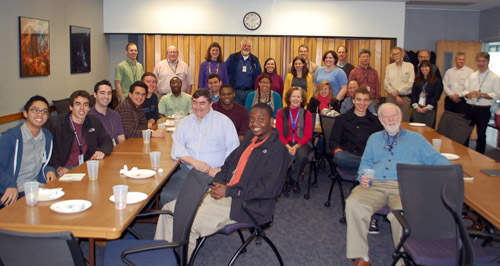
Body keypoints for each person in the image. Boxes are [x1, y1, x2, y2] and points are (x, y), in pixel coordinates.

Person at [154, 103, 290, 259]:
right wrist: (218, 182)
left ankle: (179, 261)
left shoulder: (278, 150)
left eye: (261, 119)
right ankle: (161, 260)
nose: (255, 124)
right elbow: (228, 165)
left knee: (186, 223)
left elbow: (270, 189)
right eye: (252, 120)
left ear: (271, 121)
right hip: (225, 194)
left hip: (247, 205)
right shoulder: (250, 138)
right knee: (169, 211)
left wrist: (229, 191)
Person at [346, 103, 451, 266]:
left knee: (401, 215)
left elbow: (437, 159)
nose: (390, 119)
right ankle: (361, 256)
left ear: (400, 117)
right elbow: (365, 162)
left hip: (405, 187)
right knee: (353, 203)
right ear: (380, 120)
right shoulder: (374, 138)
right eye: (385, 117)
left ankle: (401, 261)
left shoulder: (416, 139)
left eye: (393, 115)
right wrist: (363, 176)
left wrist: (456, 172)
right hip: (376, 184)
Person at [160, 89, 239, 206]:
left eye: (202, 103)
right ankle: (176, 223)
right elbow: (177, 149)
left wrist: (219, 170)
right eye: (195, 102)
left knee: (207, 202)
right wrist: (195, 163)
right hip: (189, 169)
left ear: (211, 103)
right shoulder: (185, 122)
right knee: (168, 196)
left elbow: (234, 153)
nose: (197, 107)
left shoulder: (224, 122)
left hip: (215, 173)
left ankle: (196, 223)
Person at [0, 96, 56, 208]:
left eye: (44, 111)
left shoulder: (47, 136)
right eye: (35, 110)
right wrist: (9, 185)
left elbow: (45, 162)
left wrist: (49, 170)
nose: (40, 114)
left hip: (36, 188)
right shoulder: (11, 138)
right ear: (25, 113)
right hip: (14, 191)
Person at [45, 90, 113, 177]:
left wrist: (102, 151)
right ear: (71, 107)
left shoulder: (94, 121)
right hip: (64, 169)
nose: (82, 108)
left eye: (85, 105)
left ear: (89, 108)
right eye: (78, 104)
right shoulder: (56, 123)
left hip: (85, 167)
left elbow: (107, 140)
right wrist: (57, 167)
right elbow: (45, 149)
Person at [330, 87, 383, 173]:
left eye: (365, 100)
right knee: (339, 156)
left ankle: (361, 170)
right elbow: (333, 141)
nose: (362, 103)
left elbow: (380, 143)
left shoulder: (376, 121)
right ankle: (367, 168)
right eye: (359, 99)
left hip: (367, 155)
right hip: (348, 155)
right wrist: (337, 149)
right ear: (353, 101)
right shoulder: (342, 119)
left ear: (369, 102)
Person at [276, 87, 313, 194]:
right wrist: (288, 146)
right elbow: (279, 134)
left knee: (302, 156)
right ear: (289, 98)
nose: (296, 99)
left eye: (298, 97)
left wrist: (296, 146)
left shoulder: (307, 114)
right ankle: (286, 178)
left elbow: (308, 135)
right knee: (282, 153)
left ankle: (293, 180)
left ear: (302, 99)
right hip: (285, 142)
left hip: (302, 143)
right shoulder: (281, 112)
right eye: (293, 96)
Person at [463, 52, 500, 154]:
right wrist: (468, 94)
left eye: (483, 61)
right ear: (476, 62)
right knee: (465, 133)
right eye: (479, 61)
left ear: (488, 62)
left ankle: (480, 156)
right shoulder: (472, 76)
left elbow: (497, 94)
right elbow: (464, 90)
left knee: (481, 135)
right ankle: (463, 153)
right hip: (470, 107)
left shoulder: (494, 77)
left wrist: (482, 95)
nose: (481, 63)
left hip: (483, 109)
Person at [226, 39, 262, 105]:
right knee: (236, 111)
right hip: (235, 91)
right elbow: (225, 72)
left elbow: (259, 76)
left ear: (251, 48)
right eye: (244, 45)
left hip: (250, 92)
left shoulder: (255, 60)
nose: (246, 47)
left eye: (249, 46)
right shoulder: (232, 58)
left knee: (248, 112)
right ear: (240, 46)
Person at [89, 80, 125, 146]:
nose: (106, 96)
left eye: (109, 93)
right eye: (102, 93)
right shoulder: (89, 117)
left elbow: (121, 140)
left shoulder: (115, 115)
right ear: (95, 95)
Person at [384, 47, 415, 122]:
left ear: (402, 54)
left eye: (398, 53)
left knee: (404, 121)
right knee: (389, 120)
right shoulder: (389, 67)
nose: (396, 56)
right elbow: (386, 84)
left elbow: (410, 83)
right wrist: (396, 95)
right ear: (392, 56)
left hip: (404, 99)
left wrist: (398, 91)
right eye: (394, 54)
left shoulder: (409, 66)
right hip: (391, 98)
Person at [411, 60, 443, 127]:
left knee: (427, 129)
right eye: (422, 67)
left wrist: (427, 107)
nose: (424, 69)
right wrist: (416, 106)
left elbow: (436, 96)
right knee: (417, 128)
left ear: (430, 68)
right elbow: (413, 93)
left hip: (429, 109)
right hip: (418, 108)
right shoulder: (417, 79)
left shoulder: (436, 80)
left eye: (426, 67)